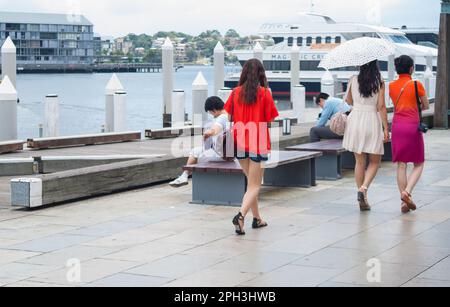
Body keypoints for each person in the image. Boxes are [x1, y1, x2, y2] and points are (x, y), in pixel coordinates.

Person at [224, 59, 279, 236]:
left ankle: (257, 218)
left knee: (251, 184)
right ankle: (241, 216)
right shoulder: (265, 93)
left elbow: (228, 115)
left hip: (240, 140)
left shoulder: (235, 92)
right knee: (255, 184)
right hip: (259, 140)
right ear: (262, 73)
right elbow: (271, 119)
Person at [342, 60, 390, 211]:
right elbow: (381, 106)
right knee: (375, 161)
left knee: (360, 161)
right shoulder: (380, 82)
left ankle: (361, 195)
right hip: (371, 119)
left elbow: (348, 101)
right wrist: (386, 128)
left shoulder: (353, 79)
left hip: (355, 119)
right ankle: (363, 189)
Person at [389, 55, 430, 214]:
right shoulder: (416, 84)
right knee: (418, 163)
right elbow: (425, 105)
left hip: (397, 126)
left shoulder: (392, 86)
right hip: (412, 127)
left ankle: (403, 202)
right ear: (411, 68)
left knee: (401, 164)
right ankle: (407, 192)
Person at [169, 96, 229, 188]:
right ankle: (184, 177)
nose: (211, 115)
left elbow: (215, 129)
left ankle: (185, 177)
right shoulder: (229, 115)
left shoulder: (221, 118)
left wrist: (208, 133)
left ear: (214, 110)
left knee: (195, 153)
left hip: (222, 156)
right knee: (197, 151)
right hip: (229, 153)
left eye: (210, 112)